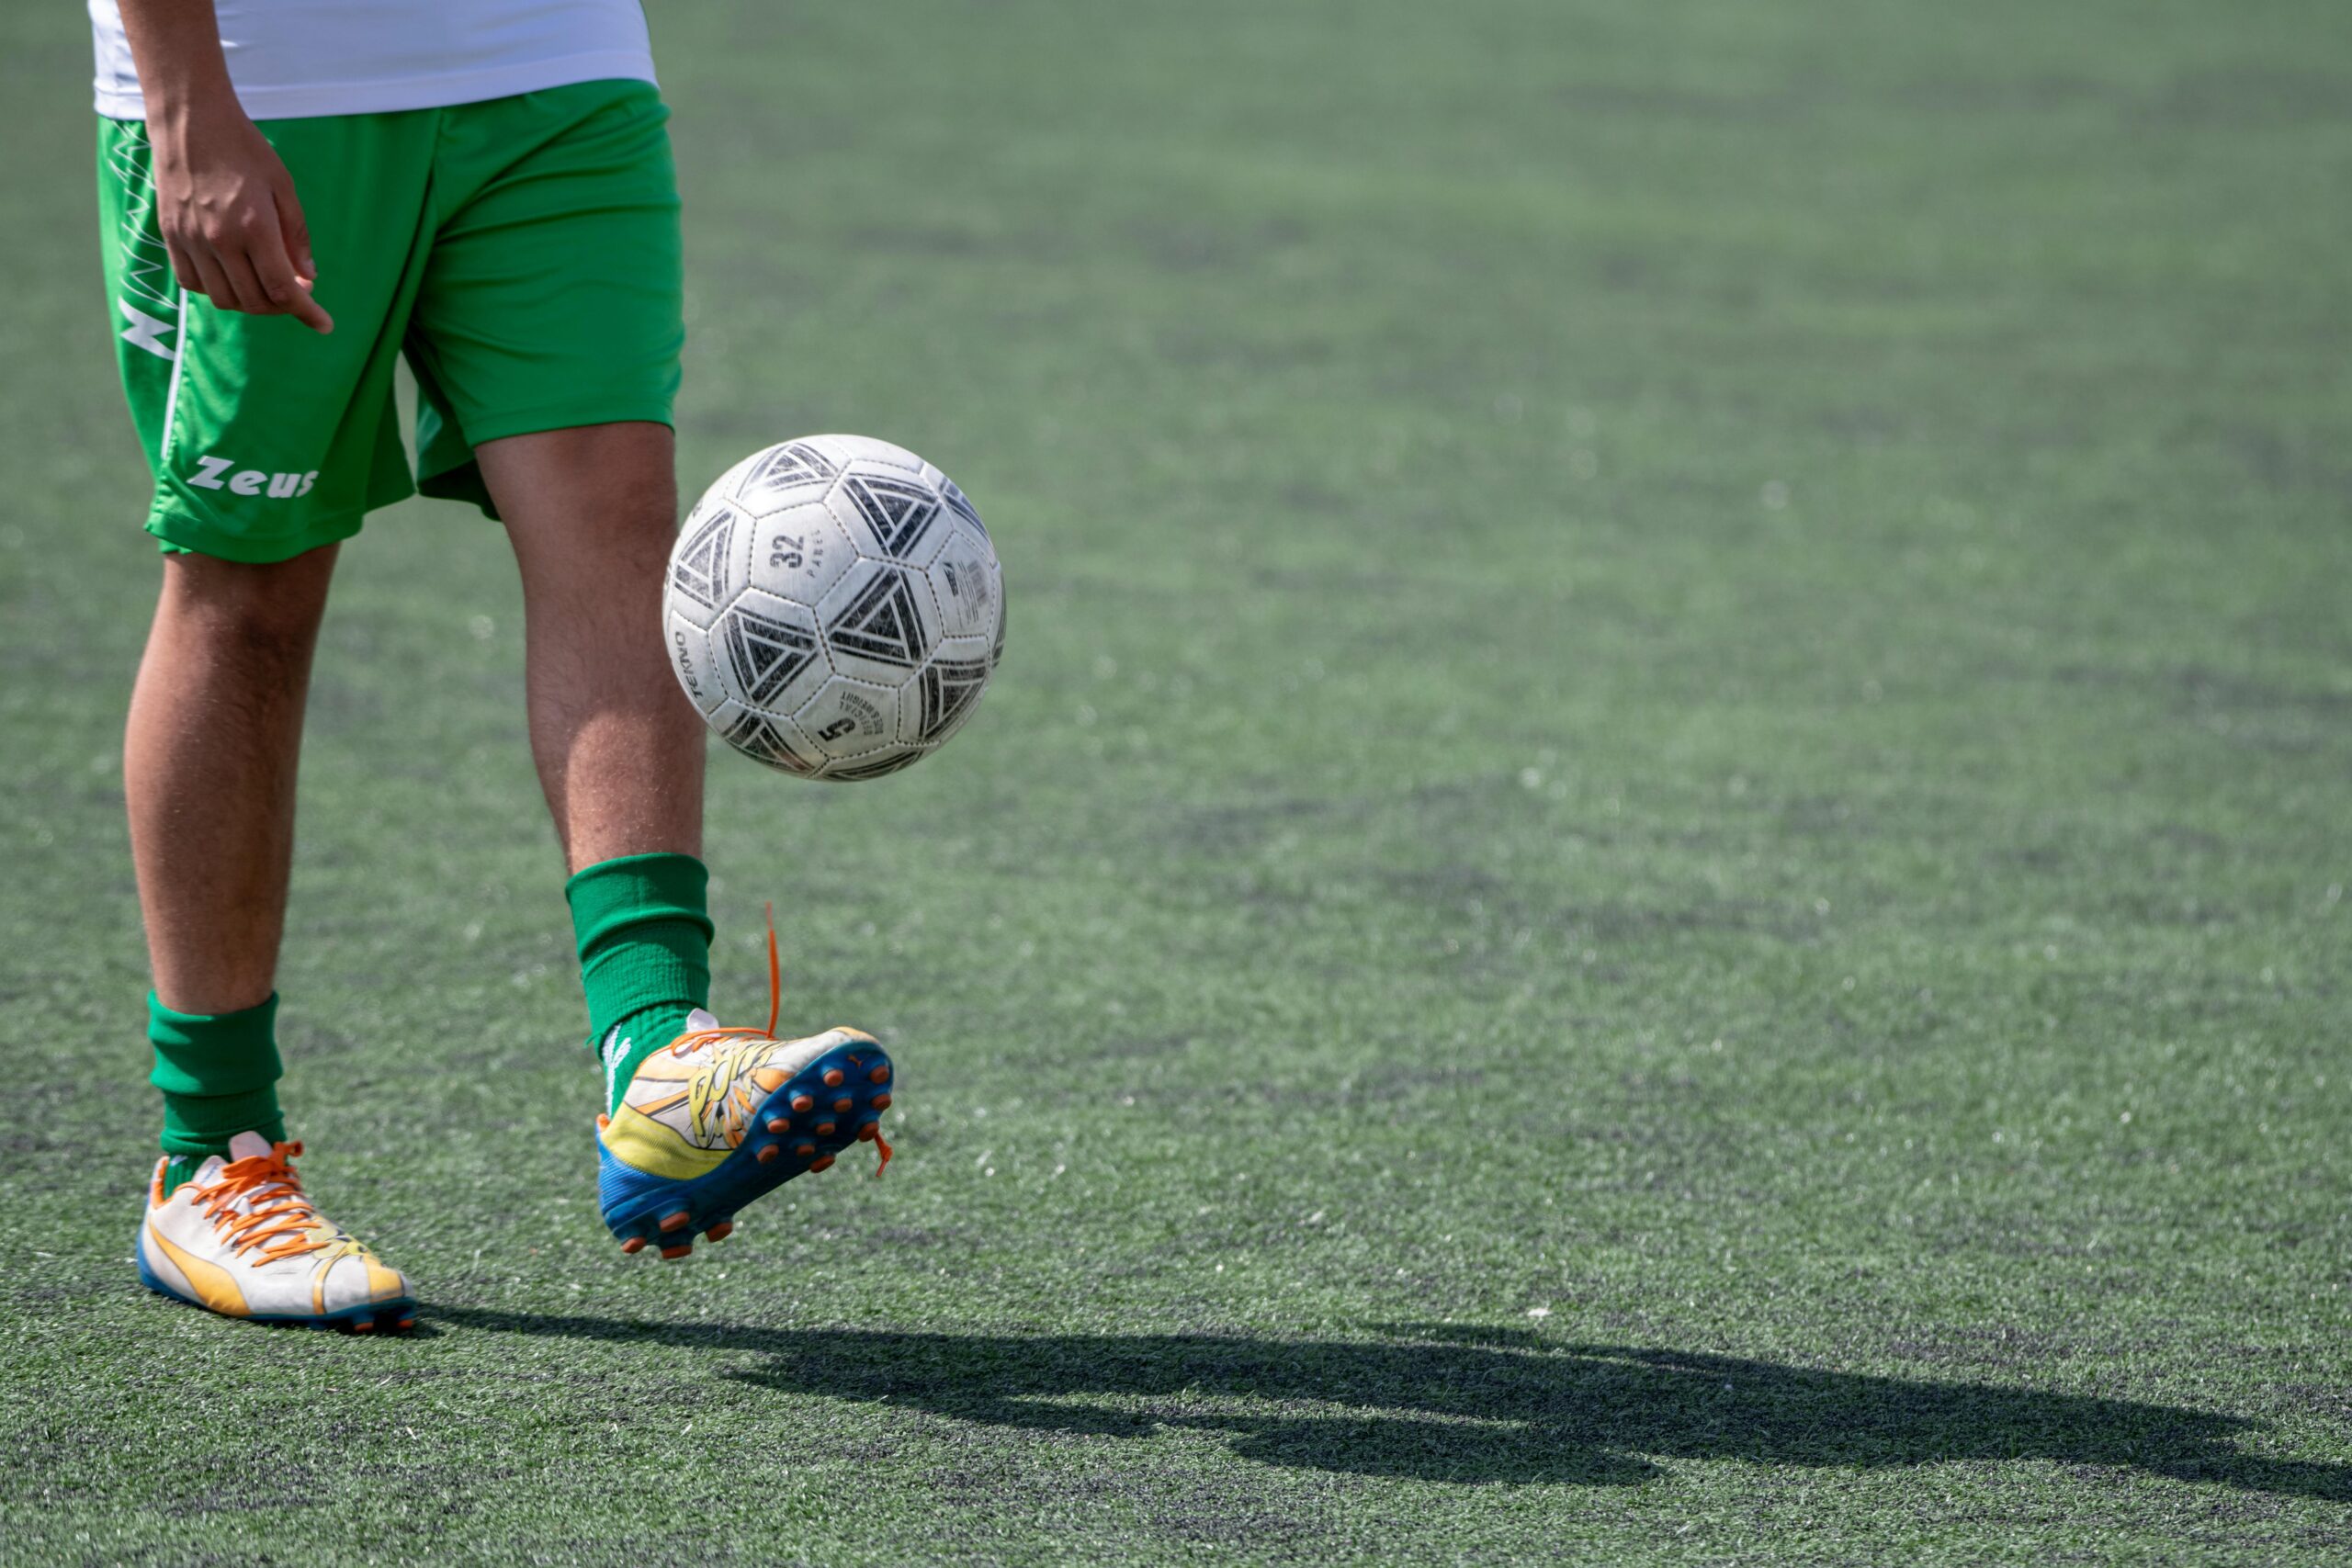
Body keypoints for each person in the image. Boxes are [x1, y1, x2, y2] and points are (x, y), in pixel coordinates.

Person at [98, 0, 895, 1333]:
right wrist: (187, 100)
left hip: (556, 57)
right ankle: (212, 1155)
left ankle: (656, 1055)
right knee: (250, 586)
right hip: (271, 82)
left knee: (620, 516)